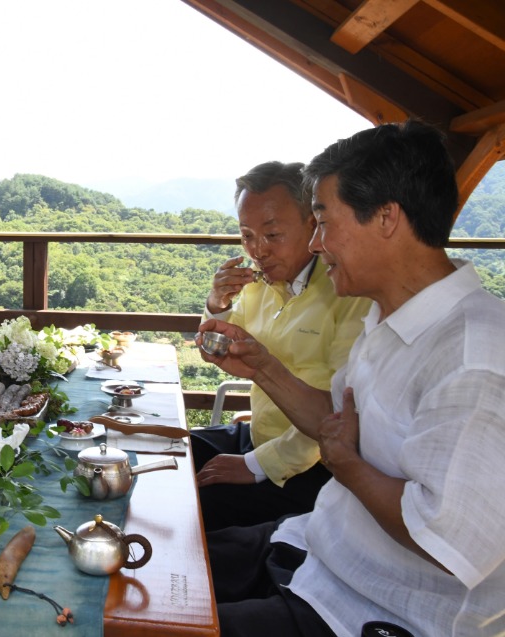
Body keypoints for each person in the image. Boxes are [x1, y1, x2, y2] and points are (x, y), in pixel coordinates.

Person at [197, 120, 505, 637]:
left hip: (371, 609)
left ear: (386, 218)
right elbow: (336, 421)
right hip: (316, 546)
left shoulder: (473, 358)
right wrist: (264, 369)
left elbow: (449, 542)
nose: (317, 244)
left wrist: (348, 466)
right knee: (160, 560)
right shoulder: (388, 316)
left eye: (323, 221)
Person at [193, 161, 369, 531]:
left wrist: (257, 465)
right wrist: (216, 305)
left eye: (272, 235)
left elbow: (338, 415)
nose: (258, 250)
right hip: (260, 433)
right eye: (247, 236)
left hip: (315, 466)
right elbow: (224, 343)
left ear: (312, 225)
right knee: (178, 452)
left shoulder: (349, 294)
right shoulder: (258, 285)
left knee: (198, 505)